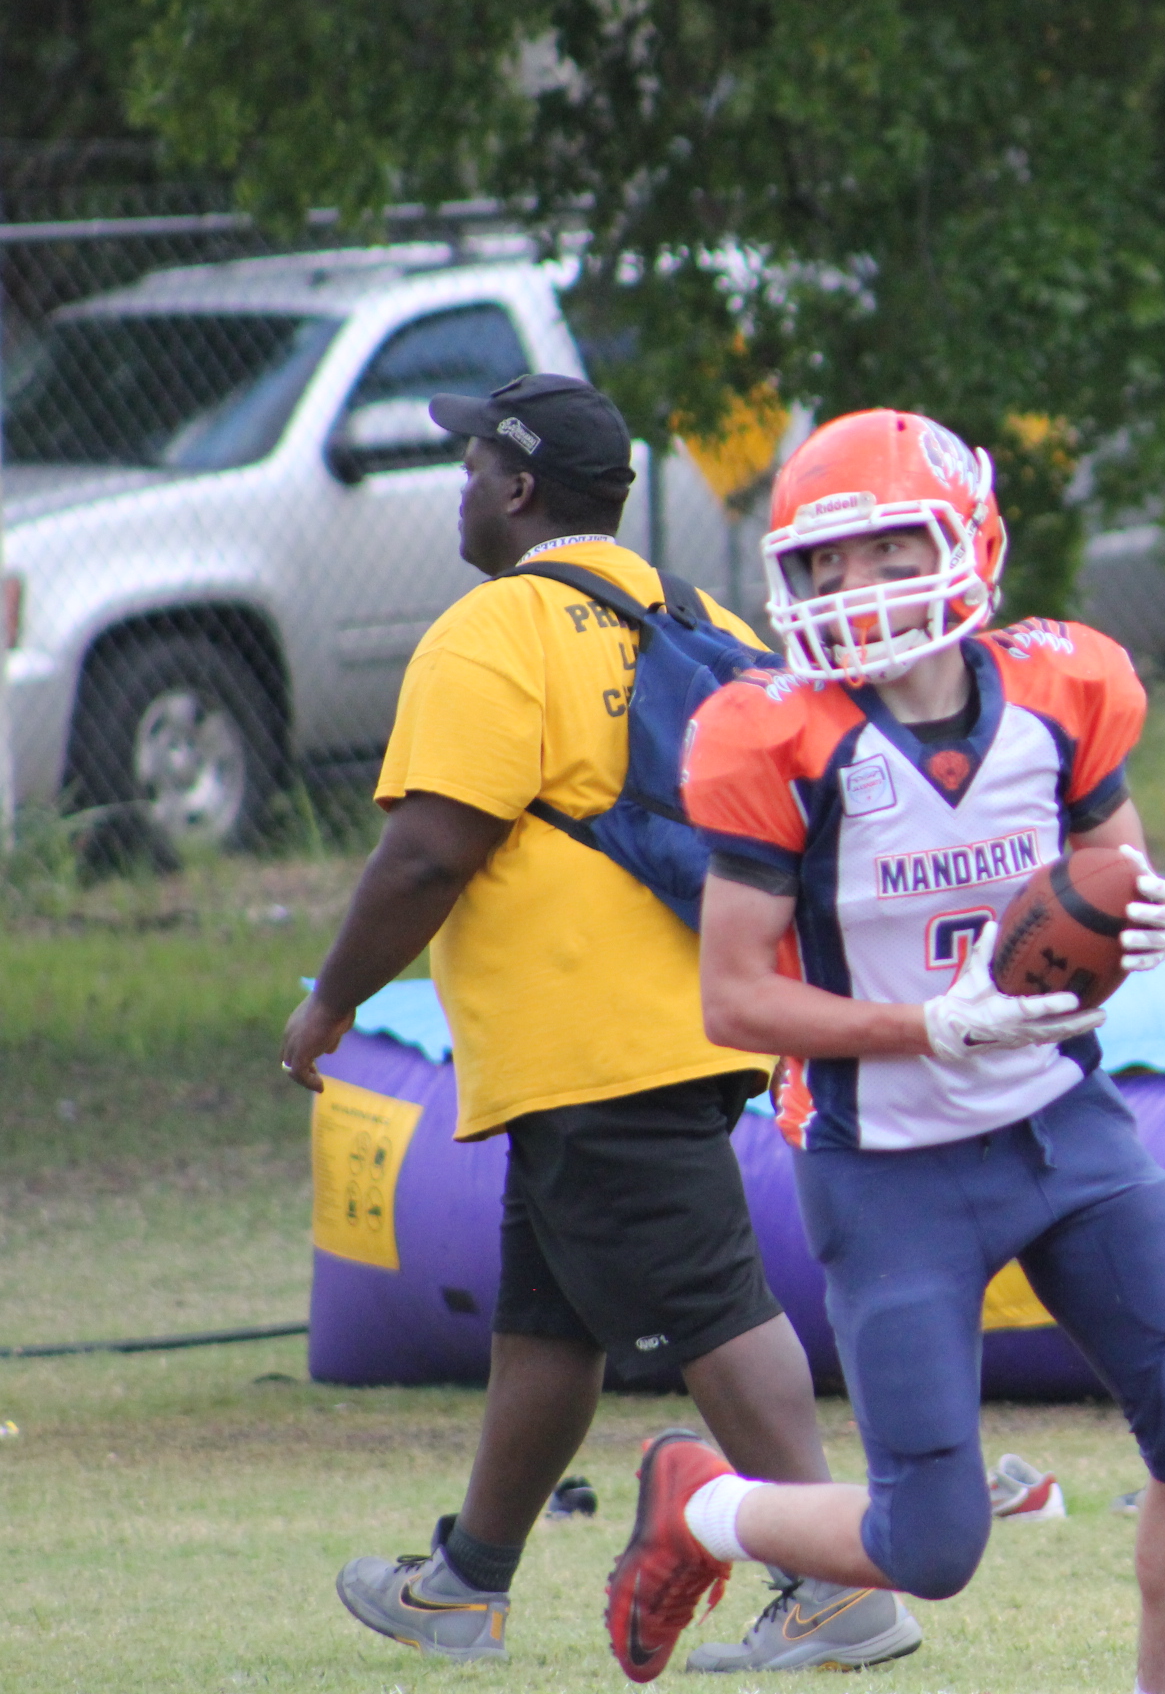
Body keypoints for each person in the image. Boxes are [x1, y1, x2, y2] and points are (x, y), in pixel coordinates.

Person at [281, 375, 918, 1673]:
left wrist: (332, 999)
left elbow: (429, 850)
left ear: (518, 488)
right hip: (694, 1021)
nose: (460, 487)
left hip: (592, 1046)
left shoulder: (494, 629)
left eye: (471, 465)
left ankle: (840, 1582)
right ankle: (464, 1585)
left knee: (714, 1308)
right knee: (549, 1323)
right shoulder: (701, 617)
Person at [626, 409, 1165, 1693]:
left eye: (887, 550)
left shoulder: (1065, 688)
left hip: (1063, 1129)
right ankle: (702, 1503)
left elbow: (1109, 873)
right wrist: (927, 1025)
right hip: (889, 1164)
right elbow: (733, 1000)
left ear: (969, 541)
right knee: (931, 1543)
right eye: (825, 563)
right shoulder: (778, 736)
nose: (853, 585)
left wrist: (1144, 913)